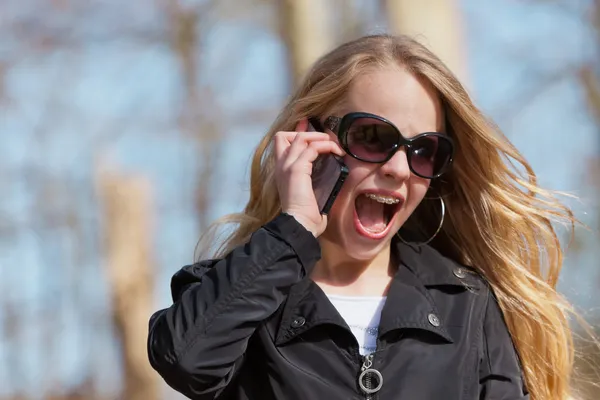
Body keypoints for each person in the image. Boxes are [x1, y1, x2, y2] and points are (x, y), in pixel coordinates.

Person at [147, 34, 581, 399]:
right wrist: (292, 228)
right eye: (374, 137)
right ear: (309, 139)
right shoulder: (234, 294)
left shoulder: (468, 307)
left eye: (423, 150)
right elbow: (186, 360)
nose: (397, 168)